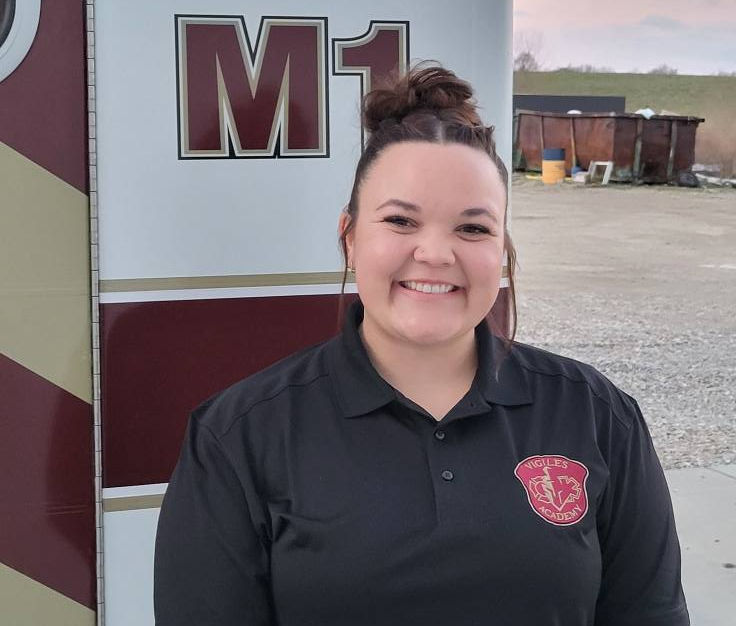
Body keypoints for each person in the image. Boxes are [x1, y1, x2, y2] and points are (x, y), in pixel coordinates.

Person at [154, 65, 689, 625]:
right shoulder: (238, 437)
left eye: (472, 228)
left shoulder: (597, 415)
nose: (435, 254)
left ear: (502, 251)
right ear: (350, 238)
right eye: (401, 221)